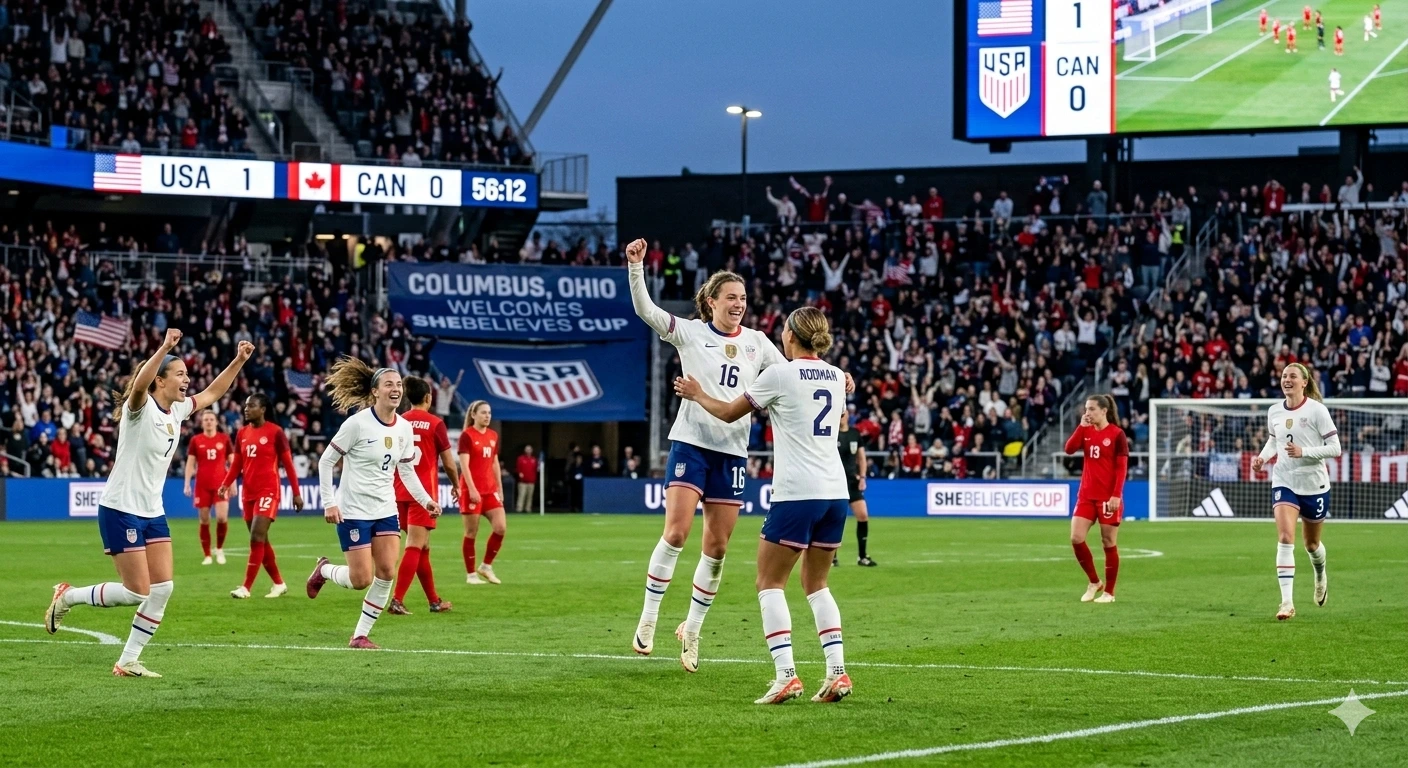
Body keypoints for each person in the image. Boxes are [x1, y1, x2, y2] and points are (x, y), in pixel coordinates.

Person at [624, 236, 790, 672]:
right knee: (676, 533)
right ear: (712, 301)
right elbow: (647, 311)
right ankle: (649, 617)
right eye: (732, 298)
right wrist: (636, 268)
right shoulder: (691, 333)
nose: (740, 304)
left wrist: (832, 375)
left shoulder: (757, 342)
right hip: (691, 445)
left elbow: (791, 373)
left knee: (716, 548)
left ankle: (692, 630)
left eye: (744, 298)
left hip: (732, 455)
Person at [45, 330, 253, 677]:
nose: (187, 379)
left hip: (152, 511)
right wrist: (163, 348)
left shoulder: (178, 411)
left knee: (163, 587)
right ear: (160, 381)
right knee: (136, 591)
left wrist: (239, 361)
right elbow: (139, 386)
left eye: (187, 373)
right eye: (180, 373)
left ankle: (127, 660)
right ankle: (67, 596)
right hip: (120, 508)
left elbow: (214, 392)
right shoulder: (139, 408)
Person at [674, 307, 852, 704]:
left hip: (796, 492)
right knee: (817, 584)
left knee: (769, 584)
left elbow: (727, 413)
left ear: (791, 336)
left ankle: (786, 674)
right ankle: (837, 671)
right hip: (835, 493)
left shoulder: (779, 374)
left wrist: (696, 392)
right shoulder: (838, 376)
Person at [306, 358, 440, 649]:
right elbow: (326, 461)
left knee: (387, 572)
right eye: (389, 384)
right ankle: (325, 570)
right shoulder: (356, 424)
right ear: (375, 391)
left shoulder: (403, 428)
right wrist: (329, 503)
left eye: (399, 384)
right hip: (353, 510)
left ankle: (359, 636)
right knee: (360, 579)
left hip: (385, 509)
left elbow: (406, 471)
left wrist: (427, 500)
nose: (396, 389)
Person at [1250, 363, 1340, 621]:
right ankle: (1287, 602)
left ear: (1304, 382)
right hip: (1284, 480)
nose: (1286, 379)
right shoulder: (1274, 411)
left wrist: (1304, 452)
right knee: (1286, 537)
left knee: (1311, 545)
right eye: (1283, 376)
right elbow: (1272, 440)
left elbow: (1335, 448)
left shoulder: (1317, 410)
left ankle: (1321, 574)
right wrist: (1262, 458)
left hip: (1314, 485)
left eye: (1292, 376)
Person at [388, 376, 460, 615]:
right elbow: (449, 463)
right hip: (423, 494)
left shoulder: (398, 421)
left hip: (398, 491)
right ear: (428, 398)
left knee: (422, 547)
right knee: (415, 545)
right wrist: (456, 485)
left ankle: (434, 600)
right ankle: (397, 600)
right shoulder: (435, 423)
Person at [221, 393, 303, 599]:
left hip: (269, 490)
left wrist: (296, 493)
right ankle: (278, 583)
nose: (246, 409)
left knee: (256, 536)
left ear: (263, 409)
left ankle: (246, 587)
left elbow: (289, 465)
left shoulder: (275, 432)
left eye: (251, 405)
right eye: (246, 405)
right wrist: (226, 483)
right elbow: (237, 464)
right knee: (261, 540)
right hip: (248, 493)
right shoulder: (241, 433)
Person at [1063, 394, 1129, 604]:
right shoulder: (1086, 430)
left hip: (1108, 498)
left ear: (1104, 411)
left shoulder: (1117, 435)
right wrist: (1081, 427)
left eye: (1091, 409)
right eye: (1086, 409)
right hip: (1086, 495)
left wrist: (1116, 495)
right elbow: (1069, 449)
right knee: (1076, 537)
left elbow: (1121, 469)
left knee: (1108, 542)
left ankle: (1109, 592)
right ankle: (1094, 582)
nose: (1087, 413)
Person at [459, 400, 506, 585]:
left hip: (489, 491)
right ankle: (471, 575)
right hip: (472, 490)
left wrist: (499, 487)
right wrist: (471, 489)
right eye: (483, 412)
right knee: (471, 532)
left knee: (500, 527)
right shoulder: (467, 436)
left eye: (489, 413)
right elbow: (464, 465)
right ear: (474, 415)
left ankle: (486, 566)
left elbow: (494, 462)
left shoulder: (493, 435)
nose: (487, 416)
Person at [183, 411, 232, 565]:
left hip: (221, 485)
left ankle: (219, 549)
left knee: (222, 517)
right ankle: (207, 555)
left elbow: (233, 462)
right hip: (202, 485)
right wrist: (187, 483)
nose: (209, 422)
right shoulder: (196, 440)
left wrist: (233, 482)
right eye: (206, 420)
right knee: (204, 519)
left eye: (211, 419)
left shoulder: (224, 439)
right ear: (202, 423)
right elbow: (190, 463)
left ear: (216, 422)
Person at [836, 415, 876, 567]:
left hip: (852, 481)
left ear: (847, 416)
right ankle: (832, 556)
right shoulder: (831, 433)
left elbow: (861, 458)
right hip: (836, 481)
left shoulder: (855, 433)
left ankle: (862, 556)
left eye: (843, 414)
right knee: (835, 519)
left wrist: (863, 477)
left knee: (863, 515)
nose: (841, 417)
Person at [515, 445, 538, 513]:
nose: (528, 451)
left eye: (529, 449)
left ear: (531, 450)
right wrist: (520, 474)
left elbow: (536, 470)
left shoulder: (534, 460)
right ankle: (519, 508)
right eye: (527, 449)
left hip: (531, 481)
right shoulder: (520, 459)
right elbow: (518, 469)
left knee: (529, 496)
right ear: (525, 450)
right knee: (522, 495)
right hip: (522, 482)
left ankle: (528, 509)